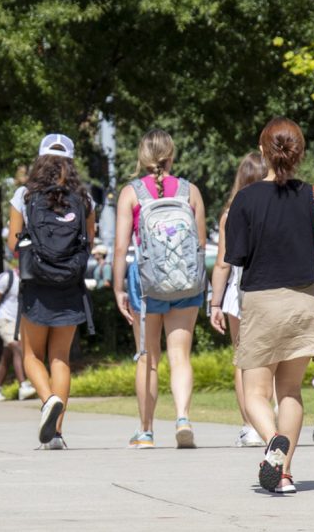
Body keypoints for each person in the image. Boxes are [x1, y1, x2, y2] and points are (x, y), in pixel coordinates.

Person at [224, 117, 314, 493]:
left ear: (263, 151)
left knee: (256, 392)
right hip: (306, 301)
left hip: (262, 300)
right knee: (290, 391)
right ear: (300, 152)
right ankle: (285, 473)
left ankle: (272, 440)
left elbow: (236, 256)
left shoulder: (245, 199)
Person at [112, 129, 207, 449]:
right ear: (171, 154)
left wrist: (117, 288)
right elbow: (201, 243)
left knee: (148, 358)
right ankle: (182, 417)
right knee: (180, 355)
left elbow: (121, 247)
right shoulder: (190, 191)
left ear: (143, 156)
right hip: (185, 281)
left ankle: (146, 431)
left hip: (147, 284)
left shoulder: (131, 193)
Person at [6, 134, 95, 450]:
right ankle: (56, 433)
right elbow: (89, 241)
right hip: (70, 284)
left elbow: (13, 244)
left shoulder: (25, 195)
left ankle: (48, 400)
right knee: (61, 357)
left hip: (36, 283)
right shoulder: (83, 199)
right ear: (70, 162)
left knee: (31, 355)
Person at [209, 151, 268, 448]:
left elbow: (223, 264)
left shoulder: (231, 215)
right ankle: (271, 417)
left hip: (239, 293)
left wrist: (215, 303)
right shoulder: (276, 208)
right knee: (272, 357)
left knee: (242, 361)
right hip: (273, 289)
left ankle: (250, 426)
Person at [0, 262, 35, 402]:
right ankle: (23, 386)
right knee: (17, 346)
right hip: (5, 320)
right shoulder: (6, 278)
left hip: (21, 323)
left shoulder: (33, 279)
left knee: (7, 357)